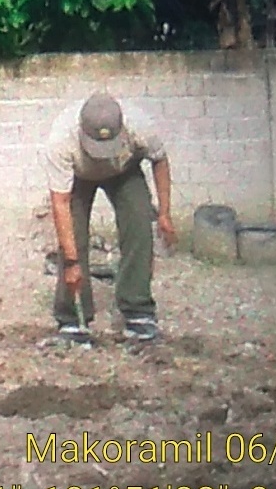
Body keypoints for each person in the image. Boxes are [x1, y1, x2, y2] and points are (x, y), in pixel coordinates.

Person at [43, 93, 177, 345]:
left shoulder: (141, 126)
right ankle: (73, 319)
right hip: (79, 177)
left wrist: (165, 214)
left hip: (123, 171)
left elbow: (160, 161)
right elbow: (60, 202)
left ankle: (138, 312)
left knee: (138, 225)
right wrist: (72, 262)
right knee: (74, 240)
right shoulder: (61, 140)